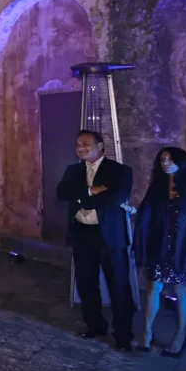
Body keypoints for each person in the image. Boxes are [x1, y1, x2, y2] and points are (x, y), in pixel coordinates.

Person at [56, 130, 135, 350]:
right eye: (78, 144)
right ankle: (95, 325)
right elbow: (62, 193)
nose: (81, 148)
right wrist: (91, 191)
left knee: (118, 285)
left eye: (86, 144)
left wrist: (82, 199)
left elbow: (115, 198)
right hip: (82, 233)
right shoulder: (73, 170)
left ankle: (123, 335)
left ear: (100, 146)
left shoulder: (119, 170)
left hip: (109, 235)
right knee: (86, 283)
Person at [134, 147, 186, 357]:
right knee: (153, 287)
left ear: (182, 162)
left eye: (170, 159)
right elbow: (146, 212)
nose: (165, 163)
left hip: (182, 245)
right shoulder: (156, 186)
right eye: (162, 159)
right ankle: (147, 335)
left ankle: (180, 337)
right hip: (158, 243)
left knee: (180, 288)